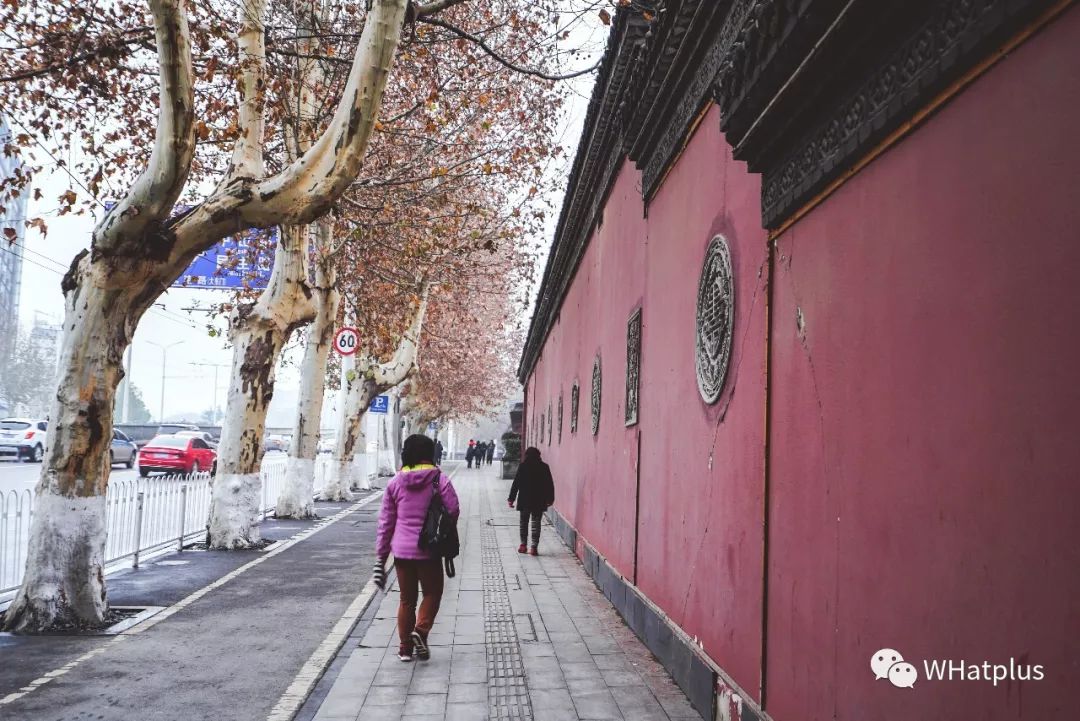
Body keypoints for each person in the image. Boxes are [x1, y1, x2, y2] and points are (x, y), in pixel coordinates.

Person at [373, 434, 460, 662]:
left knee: (406, 599)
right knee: (432, 593)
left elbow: (385, 523)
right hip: (428, 550)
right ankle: (420, 632)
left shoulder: (394, 483)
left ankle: (404, 649)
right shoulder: (439, 480)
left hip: (401, 551)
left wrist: (381, 557)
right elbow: (453, 510)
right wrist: (441, 531)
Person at [507, 446, 554, 556]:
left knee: (523, 523)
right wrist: (550, 498)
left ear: (527, 455)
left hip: (525, 500)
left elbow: (516, 483)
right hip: (539, 500)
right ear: (538, 455)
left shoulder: (523, 466)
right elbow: (549, 484)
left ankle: (523, 545)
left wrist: (511, 499)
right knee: (536, 524)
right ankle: (534, 547)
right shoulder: (544, 467)